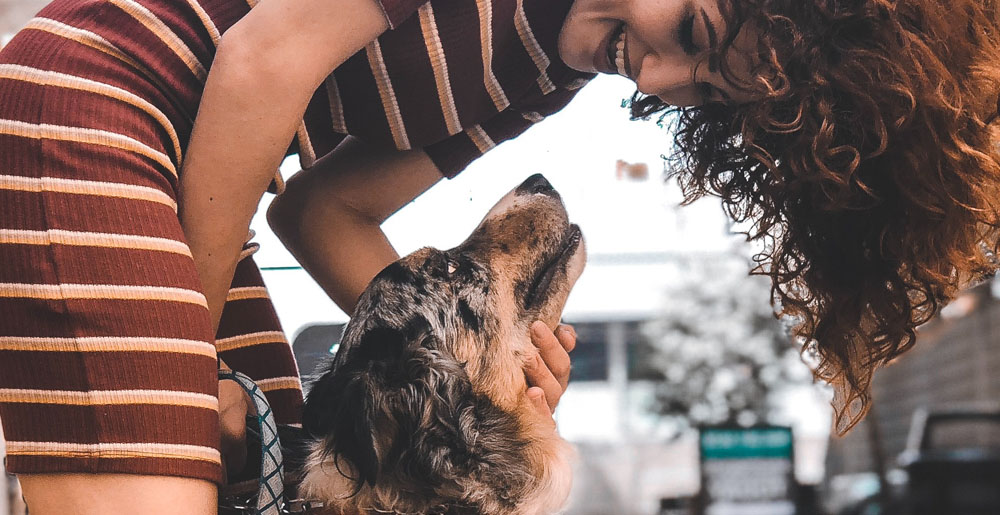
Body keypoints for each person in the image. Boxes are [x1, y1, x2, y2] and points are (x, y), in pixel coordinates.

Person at [0, 0, 996, 511]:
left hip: (185, 154)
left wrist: (491, 352)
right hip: (93, 106)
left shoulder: (544, 75)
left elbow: (324, 209)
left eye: (705, 88)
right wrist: (190, 347)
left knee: (294, 485)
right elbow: (264, 59)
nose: (656, 71)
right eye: (690, 29)